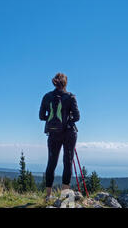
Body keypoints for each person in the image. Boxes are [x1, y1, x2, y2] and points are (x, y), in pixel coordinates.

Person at [39, 73, 80, 201]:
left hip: (53, 134)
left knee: (51, 162)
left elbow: (41, 116)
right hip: (69, 133)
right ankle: (64, 195)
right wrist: (67, 120)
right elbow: (77, 117)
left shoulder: (47, 96)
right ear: (65, 83)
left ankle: (48, 195)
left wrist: (52, 120)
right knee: (67, 162)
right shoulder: (70, 97)